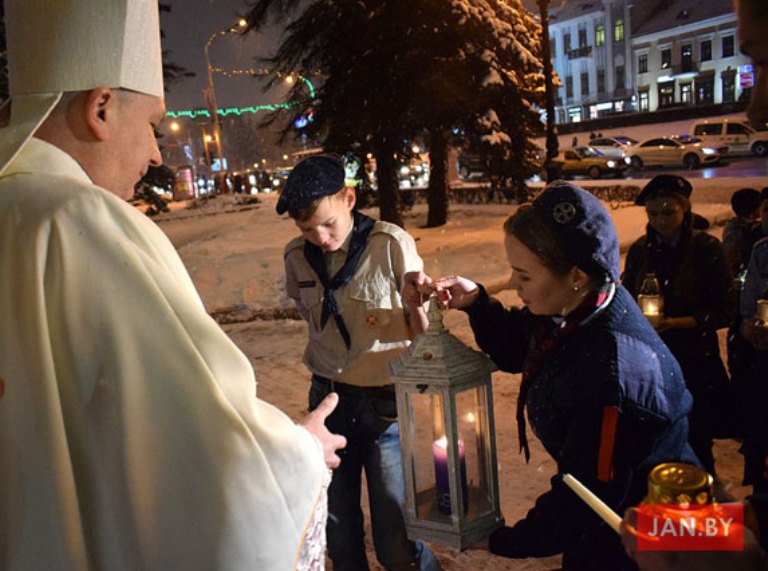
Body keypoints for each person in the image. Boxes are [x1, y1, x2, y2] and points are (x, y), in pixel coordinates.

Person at [0, 1, 346, 569]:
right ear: (101, 108)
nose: (157, 153)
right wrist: (302, 452)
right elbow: (198, 447)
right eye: (152, 126)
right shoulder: (82, 220)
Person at [404, 182, 697, 571]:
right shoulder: (579, 306)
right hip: (607, 520)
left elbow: (585, 497)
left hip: (646, 534)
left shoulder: (612, 373)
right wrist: (476, 302)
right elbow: (521, 348)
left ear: (576, 274)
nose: (513, 285)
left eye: (523, 276)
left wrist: (506, 541)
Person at [278, 155, 440, 571]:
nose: (320, 237)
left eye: (328, 224)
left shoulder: (389, 244)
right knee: (340, 538)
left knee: (395, 542)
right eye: (307, 229)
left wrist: (415, 304)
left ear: (349, 199)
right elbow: (310, 316)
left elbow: (424, 331)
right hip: (328, 402)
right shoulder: (296, 256)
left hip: (384, 408)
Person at [622, 174, 735, 476]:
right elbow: (627, 298)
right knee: (655, 440)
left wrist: (679, 322)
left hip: (695, 358)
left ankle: (702, 493)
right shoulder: (641, 250)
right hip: (652, 360)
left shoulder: (705, 249)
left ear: (685, 210)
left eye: (668, 212)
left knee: (697, 438)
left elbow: (726, 308)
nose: (660, 221)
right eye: (653, 214)